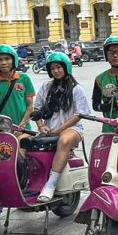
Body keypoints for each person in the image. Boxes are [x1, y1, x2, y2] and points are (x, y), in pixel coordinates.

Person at [0, 44, 36, 227]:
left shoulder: (24, 79)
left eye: (7, 59)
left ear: (13, 60)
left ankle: (20, 189)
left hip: (22, 130)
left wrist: (20, 125)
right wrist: (1, 125)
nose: (3, 63)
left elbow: (30, 106)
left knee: (16, 161)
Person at [33, 52, 92, 202]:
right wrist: (40, 126)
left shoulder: (76, 89)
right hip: (50, 129)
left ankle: (51, 184)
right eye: (52, 68)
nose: (56, 71)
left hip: (73, 129)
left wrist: (59, 130)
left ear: (66, 67)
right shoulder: (46, 87)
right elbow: (37, 109)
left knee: (64, 141)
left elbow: (79, 114)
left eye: (59, 67)